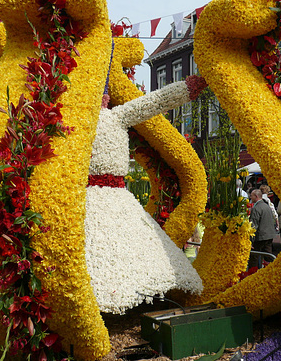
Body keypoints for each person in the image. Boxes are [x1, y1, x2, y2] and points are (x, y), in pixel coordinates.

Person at [84, 74, 206, 314]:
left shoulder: (112, 116)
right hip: (98, 198)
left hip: (115, 198)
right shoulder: (81, 118)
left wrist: (188, 88)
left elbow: (154, 102)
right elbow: (153, 102)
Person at [247, 189, 277, 269]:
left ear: (256, 196)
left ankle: (252, 274)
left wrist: (251, 240)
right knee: (268, 257)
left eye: (251, 196)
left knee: (254, 258)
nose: (250, 197)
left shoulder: (257, 208)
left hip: (260, 237)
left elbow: (254, 225)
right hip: (269, 235)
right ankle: (270, 272)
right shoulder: (267, 206)